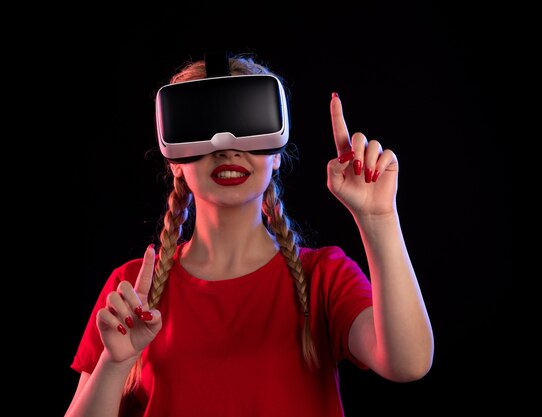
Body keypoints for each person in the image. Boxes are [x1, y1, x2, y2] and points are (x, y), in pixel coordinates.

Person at [66, 53, 434, 417]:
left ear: (275, 154)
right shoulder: (132, 291)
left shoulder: (323, 277)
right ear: (175, 161)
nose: (227, 147)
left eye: (248, 124)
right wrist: (115, 364)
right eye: (202, 127)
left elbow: (408, 363)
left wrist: (378, 217)